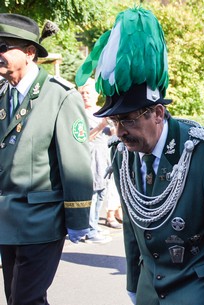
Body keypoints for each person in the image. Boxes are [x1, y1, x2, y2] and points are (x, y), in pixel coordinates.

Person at [75, 7, 204, 305]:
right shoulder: (124, 156)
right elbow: (133, 230)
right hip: (149, 292)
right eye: (115, 122)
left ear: (158, 113)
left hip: (199, 292)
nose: (120, 131)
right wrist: (134, 285)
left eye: (129, 119)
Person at [0, 13, 93, 304]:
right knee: (17, 297)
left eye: (3, 45)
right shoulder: (3, 94)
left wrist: (78, 219)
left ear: (29, 53)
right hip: (6, 221)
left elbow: (75, 165)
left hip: (41, 222)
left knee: (25, 301)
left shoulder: (60, 96)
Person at [79, 79, 119, 241]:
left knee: (102, 193)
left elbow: (112, 133)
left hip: (104, 158)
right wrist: (100, 126)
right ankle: (89, 230)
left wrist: (117, 121)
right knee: (92, 195)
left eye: (88, 93)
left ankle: (94, 225)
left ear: (96, 95)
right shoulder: (79, 113)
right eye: (83, 93)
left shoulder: (100, 111)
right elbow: (83, 138)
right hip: (90, 158)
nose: (85, 96)